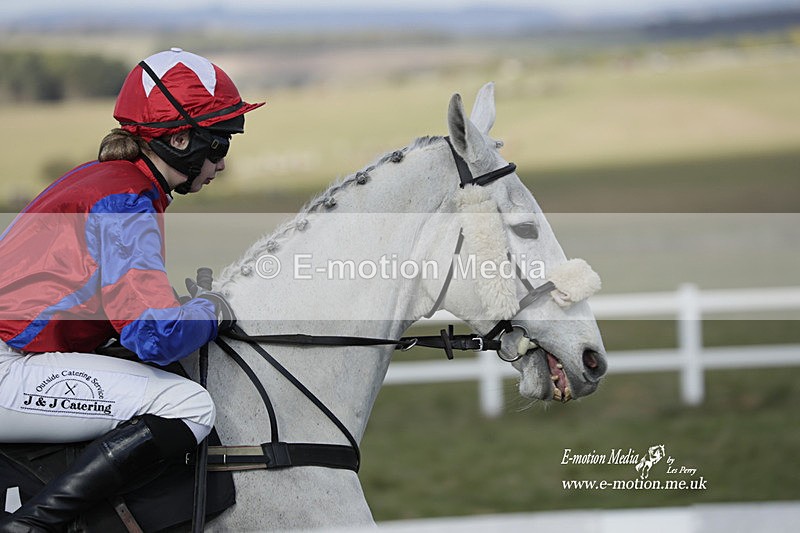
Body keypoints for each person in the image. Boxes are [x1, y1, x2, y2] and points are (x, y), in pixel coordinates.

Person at [0, 48, 263, 532]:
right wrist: (215, 309)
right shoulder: (126, 199)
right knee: (187, 404)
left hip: (14, 354)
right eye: (220, 145)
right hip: (6, 365)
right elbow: (151, 337)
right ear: (181, 139)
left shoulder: (105, 179)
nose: (222, 164)